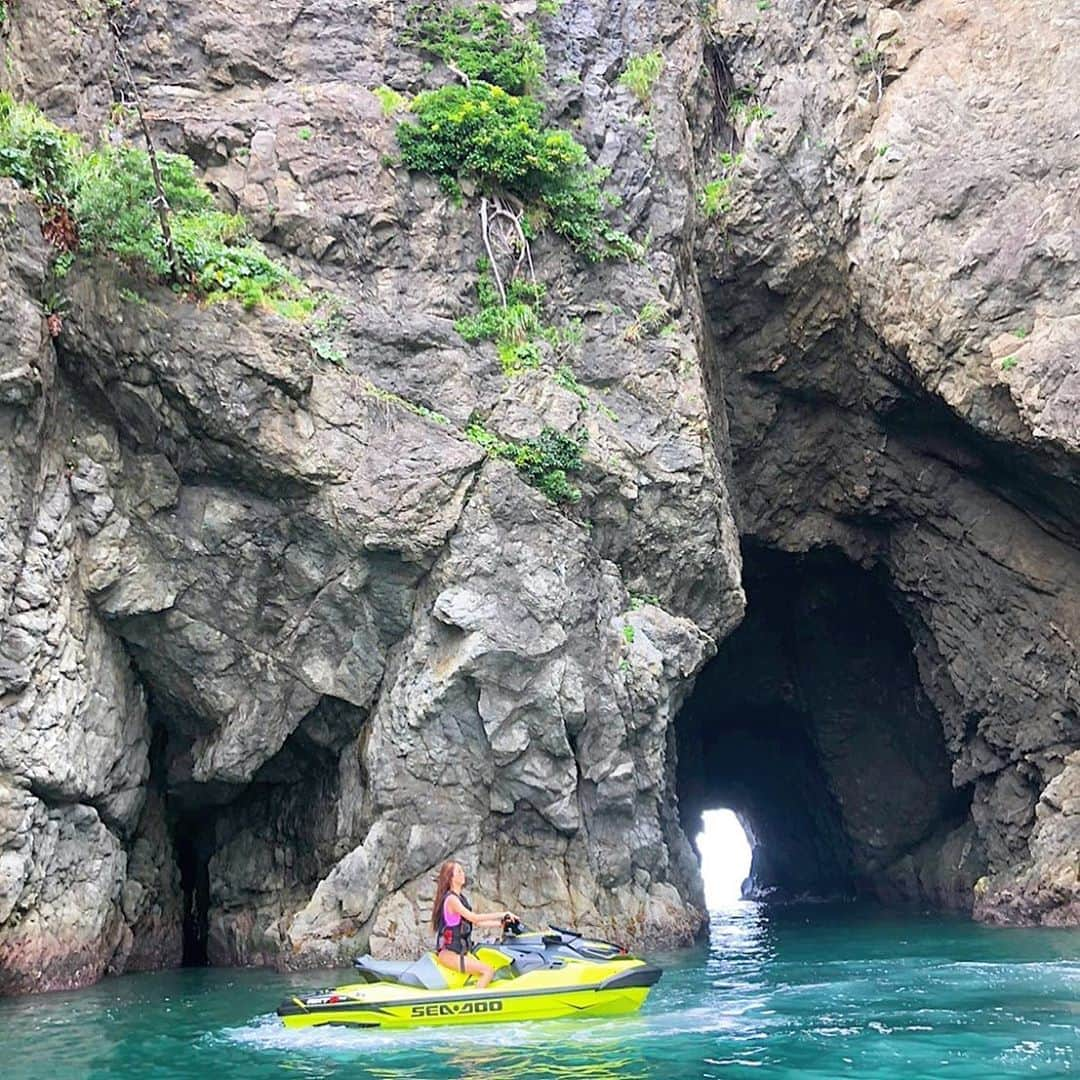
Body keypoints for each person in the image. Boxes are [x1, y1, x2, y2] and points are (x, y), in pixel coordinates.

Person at [431, 860, 516, 988]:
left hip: (461, 952)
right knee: (488, 971)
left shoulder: (461, 898)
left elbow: (476, 923)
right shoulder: (451, 900)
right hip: (449, 954)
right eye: (459, 872)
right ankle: (478, 1001)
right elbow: (475, 918)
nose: (463, 874)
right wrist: (502, 914)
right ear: (451, 878)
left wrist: (500, 924)